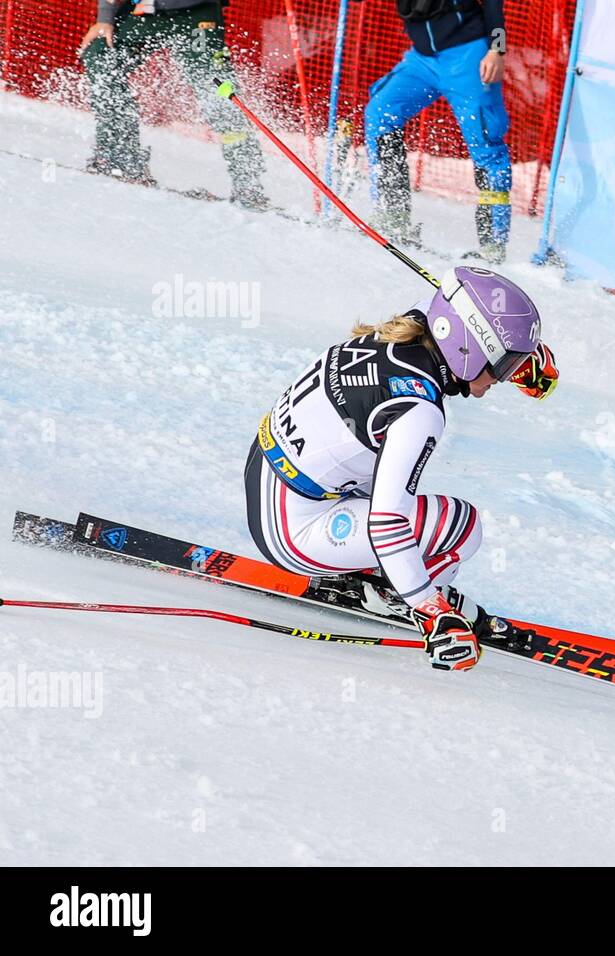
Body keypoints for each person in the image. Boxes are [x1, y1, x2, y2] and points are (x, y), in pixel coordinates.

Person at [243, 266, 559, 671]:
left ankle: (384, 572)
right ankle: (397, 593)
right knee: (462, 526)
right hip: (294, 531)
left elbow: (452, 299)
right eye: (504, 365)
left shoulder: (415, 326)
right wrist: (432, 611)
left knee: (393, 478)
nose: (502, 379)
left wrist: (524, 358)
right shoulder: (418, 411)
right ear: (469, 349)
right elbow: (388, 523)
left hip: (268, 473)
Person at [78, 0, 268, 206]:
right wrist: (105, 18)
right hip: (142, 10)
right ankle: (121, 160)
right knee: (101, 57)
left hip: (197, 15)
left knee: (218, 93)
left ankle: (248, 186)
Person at [365, 0, 511, 260]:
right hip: (422, 61)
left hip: (468, 57)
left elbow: (493, 5)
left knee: (486, 145)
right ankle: (392, 215)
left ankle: (492, 247)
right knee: (380, 112)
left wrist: (497, 49)